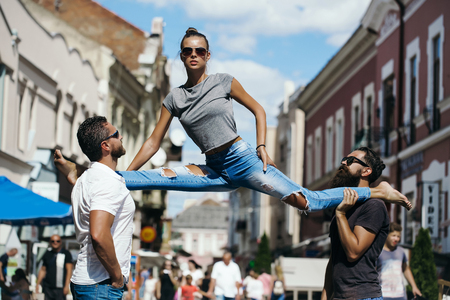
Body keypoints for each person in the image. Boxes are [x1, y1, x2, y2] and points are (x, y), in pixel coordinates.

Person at [53, 27, 412, 214]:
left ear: (207, 55)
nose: (193, 55)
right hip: (214, 169)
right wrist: (124, 176)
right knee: (155, 179)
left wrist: (261, 147)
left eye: (199, 51)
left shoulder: (224, 81)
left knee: (308, 202)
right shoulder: (174, 97)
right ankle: (84, 174)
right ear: (181, 56)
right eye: (187, 51)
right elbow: (152, 142)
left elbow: (259, 110)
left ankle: (375, 191)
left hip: (244, 161)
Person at [69, 116, 135, 300]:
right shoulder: (107, 181)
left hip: (90, 283)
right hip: (101, 284)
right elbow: (98, 233)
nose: (121, 136)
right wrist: (117, 277)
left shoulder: (85, 180)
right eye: (116, 134)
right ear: (105, 145)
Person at [321, 147, 390, 300]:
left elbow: (353, 252)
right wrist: (325, 296)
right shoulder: (342, 206)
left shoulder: (374, 206)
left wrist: (340, 214)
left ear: (366, 171)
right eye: (344, 159)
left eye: (351, 160)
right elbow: (334, 259)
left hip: (363, 295)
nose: (344, 162)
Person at [377, 223, 422, 300]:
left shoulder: (401, 251)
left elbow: (406, 269)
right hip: (383, 295)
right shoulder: (378, 252)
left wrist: (414, 287)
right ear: (386, 235)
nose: (396, 239)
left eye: (398, 236)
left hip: (400, 295)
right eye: (393, 236)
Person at [36, 234, 73, 300]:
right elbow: (43, 270)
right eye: (53, 241)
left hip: (61, 288)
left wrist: (67, 286)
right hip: (48, 288)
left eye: (57, 241)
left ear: (60, 242)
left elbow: (69, 270)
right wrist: (37, 284)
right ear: (50, 242)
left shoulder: (66, 253)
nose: (55, 243)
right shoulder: (47, 253)